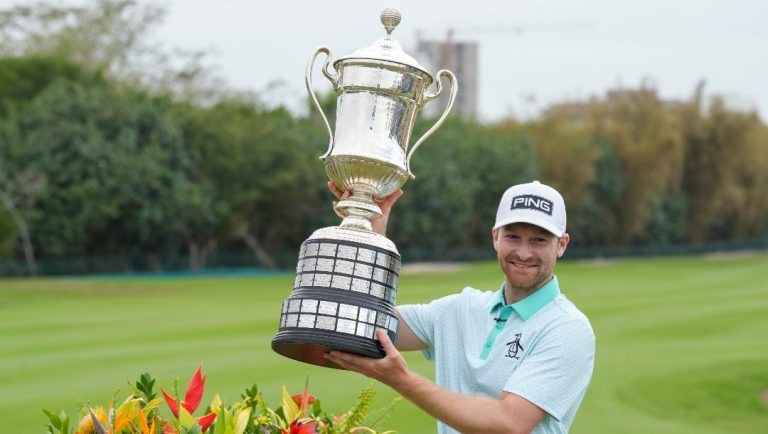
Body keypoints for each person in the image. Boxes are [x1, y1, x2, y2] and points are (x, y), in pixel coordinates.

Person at [325, 180, 595, 434]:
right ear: (495, 238)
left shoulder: (568, 328)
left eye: (539, 240)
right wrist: (370, 233)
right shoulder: (461, 308)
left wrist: (403, 380)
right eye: (513, 236)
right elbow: (365, 324)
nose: (524, 253)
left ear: (561, 245)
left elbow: (510, 423)